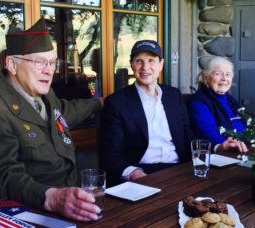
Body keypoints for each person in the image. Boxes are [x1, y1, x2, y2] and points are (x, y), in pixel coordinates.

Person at [0, 18, 103, 221]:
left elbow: (63, 113)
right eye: (39, 62)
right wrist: (51, 198)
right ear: (12, 65)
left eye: (52, 62)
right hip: (32, 217)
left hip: (71, 207)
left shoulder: (42, 95)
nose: (50, 70)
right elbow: (0, 177)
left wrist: (100, 103)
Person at [100, 40, 247, 186]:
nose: (145, 67)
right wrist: (133, 173)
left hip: (180, 169)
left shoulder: (173, 96)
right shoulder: (117, 102)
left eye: (151, 61)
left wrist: (218, 147)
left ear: (161, 64)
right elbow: (109, 155)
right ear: (131, 64)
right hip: (143, 172)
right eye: (139, 61)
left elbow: (187, 136)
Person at [189, 57, 246, 144]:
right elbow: (209, 135)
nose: (224, 79)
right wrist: (230, 145)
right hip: (228, 151)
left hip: (246, 145)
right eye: (218, 74)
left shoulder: (230, 100)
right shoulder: (199, 102)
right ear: (206, 78)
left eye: (228, 74)